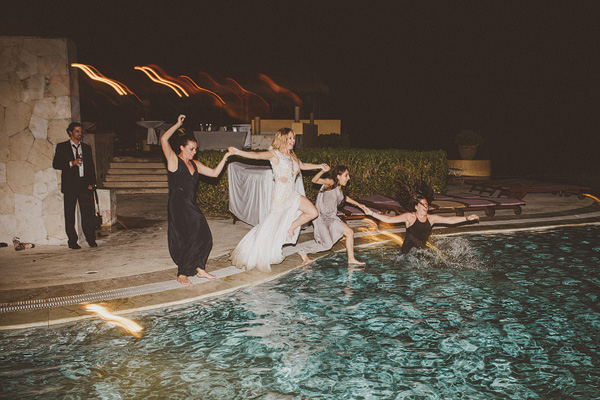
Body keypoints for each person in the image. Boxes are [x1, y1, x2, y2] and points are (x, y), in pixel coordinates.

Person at [228, 128, 328, 272]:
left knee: (313, 212)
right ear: (282, 139)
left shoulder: (292, 155)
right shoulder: (275, 154)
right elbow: (256, 156)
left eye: (293, 138)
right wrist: (238, 152)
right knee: (270, 228)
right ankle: (261, 257)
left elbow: (303, 166)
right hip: (280, 197)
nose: (293, 141)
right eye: (290, 138)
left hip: (292, 194)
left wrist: (320, 166)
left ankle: (292, 226)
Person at [161, 114, 233, 286]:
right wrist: (177, 124)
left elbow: (215, 173)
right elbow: (164, 139)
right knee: (190, 236)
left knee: (205, 236)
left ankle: (199, 268)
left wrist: (225, 158)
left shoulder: (196, 165)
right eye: (191, 149)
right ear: (182, 147)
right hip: (178, 205)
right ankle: (182, 273)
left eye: (195, 149)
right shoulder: (173, 161)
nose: (194, 152)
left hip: (190, 203)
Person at [361, 190, 479, 254]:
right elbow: (389, 219)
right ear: (416, 207)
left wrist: (467, 218)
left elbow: (449, 220)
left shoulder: (431, 218)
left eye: (427, 204)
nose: (425, 206)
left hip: (423, 252)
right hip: (408, 254)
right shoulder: (410, 217)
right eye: (422, 204)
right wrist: (371, 213)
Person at [297, 165, 366, 265]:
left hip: (332, 218)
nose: (348, 178)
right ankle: (303, 251)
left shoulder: (340, 188)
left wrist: (359, 204)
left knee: (349, 232)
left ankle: (351, 259)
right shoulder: (330, 183)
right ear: (338, 176)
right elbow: (314, 180)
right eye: (346, 175)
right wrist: (322, 171)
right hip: (321, 219)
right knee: (327, 245)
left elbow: (344, 198)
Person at [52, 122, 98, 249]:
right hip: (70, 186)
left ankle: (90, 239)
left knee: (87, 214)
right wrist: (72, 163)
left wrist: (92, 183)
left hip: (84, 185)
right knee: (70, 215)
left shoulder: (86, 147)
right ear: (70, 132)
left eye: (80, 131)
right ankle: (72, 241)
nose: (80, 134)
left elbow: (91, 167)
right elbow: (56, 164)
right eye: (77, 131)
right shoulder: (62, 147)